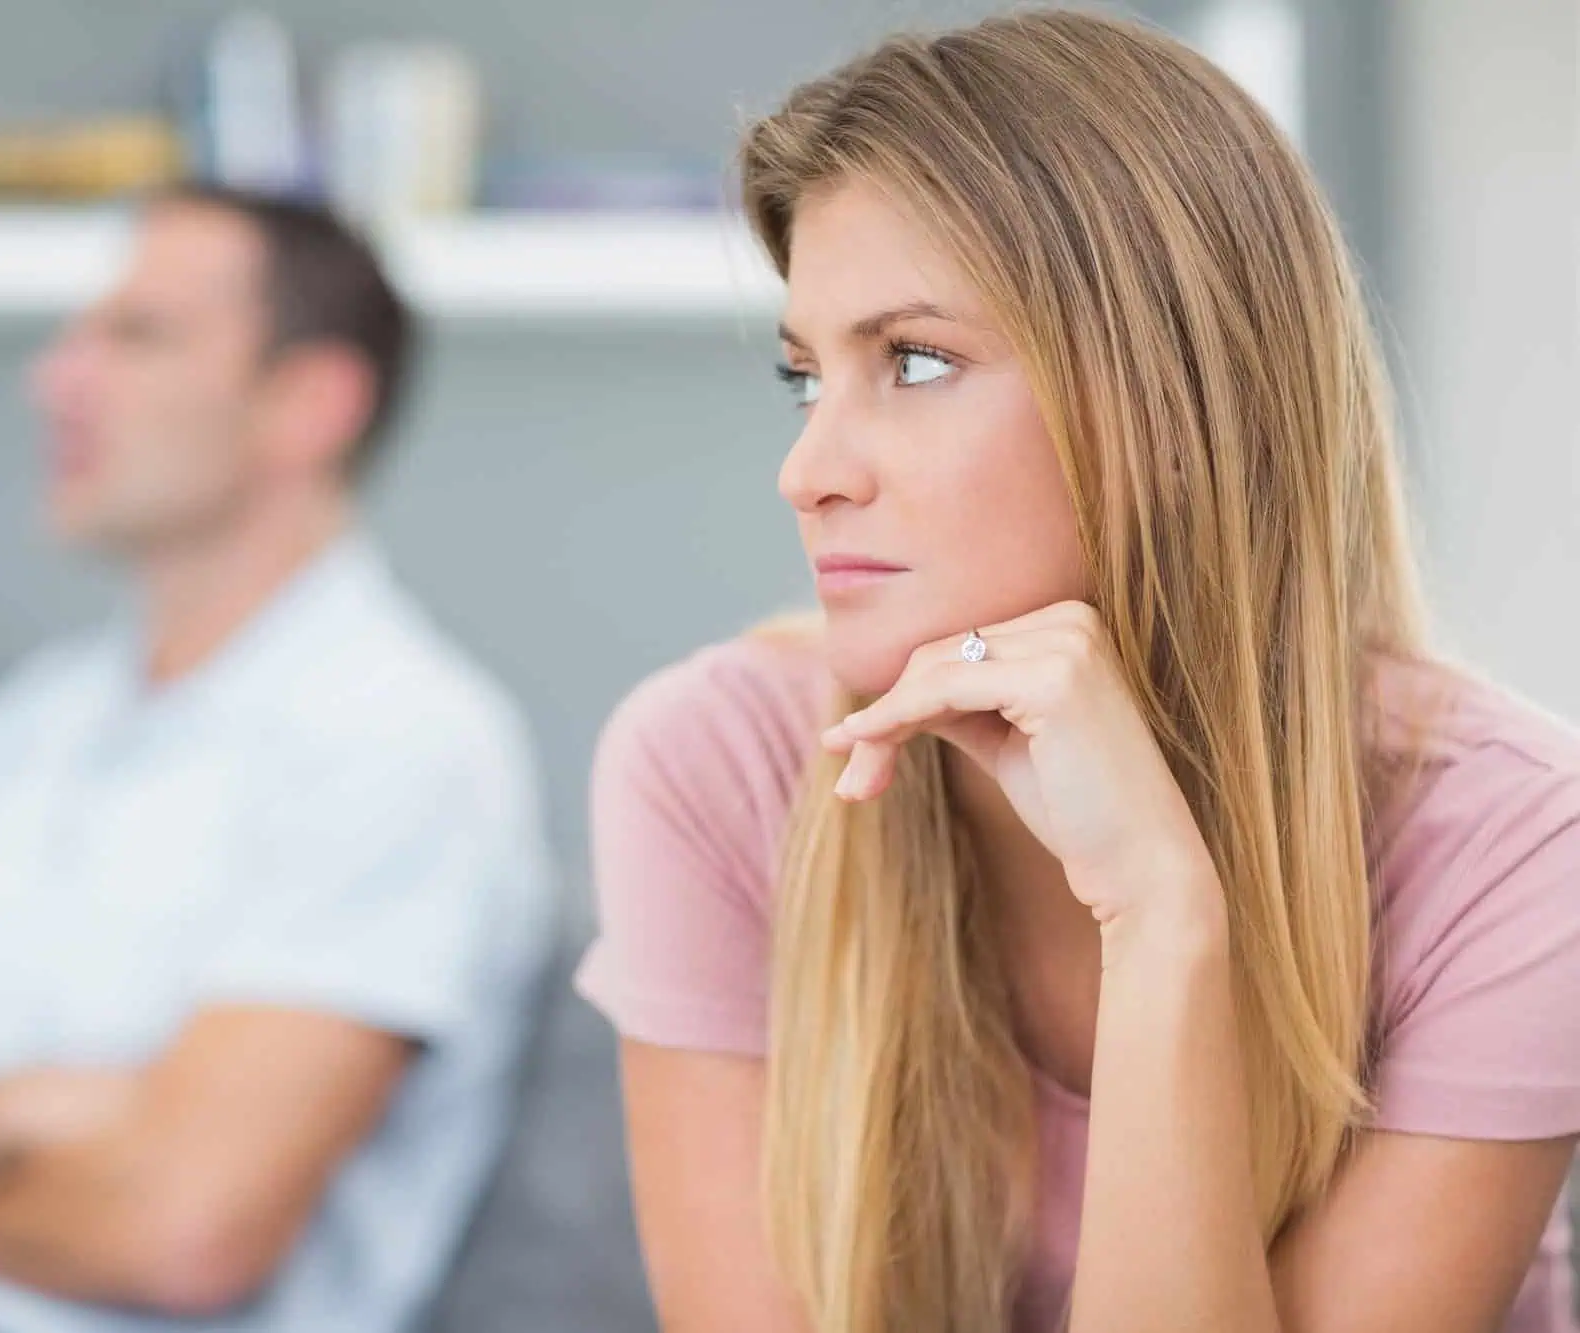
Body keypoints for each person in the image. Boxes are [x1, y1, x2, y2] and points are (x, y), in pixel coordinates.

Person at [576, 10, 1580, 1333]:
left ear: (1169, 403)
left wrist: (1162, 917)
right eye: (804, 376)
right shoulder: (714, 764)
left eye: (916, 362)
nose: (809, 469)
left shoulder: (1513, 840)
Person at [0, 183, 558, 1333]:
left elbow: (181, 1234)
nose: (57, 377)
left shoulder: (400, 745)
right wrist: (10, 1114)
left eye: (138, 335)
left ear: (308, 404)